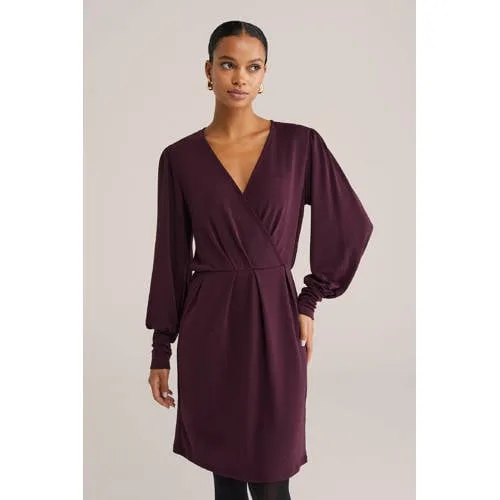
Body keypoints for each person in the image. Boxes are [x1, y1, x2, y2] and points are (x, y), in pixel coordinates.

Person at [146, 20, 374, 500]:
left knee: (273, 486)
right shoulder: (179, 158)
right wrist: (161, 348)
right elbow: (170, 256)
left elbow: (351, 223)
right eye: (228, 64)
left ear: (265, 74)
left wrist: (309, 300)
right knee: (227, 487)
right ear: (208, 71)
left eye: (253, 67)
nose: (239, 78)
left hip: (275, 323)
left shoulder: (300, 145)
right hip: (209, 331)